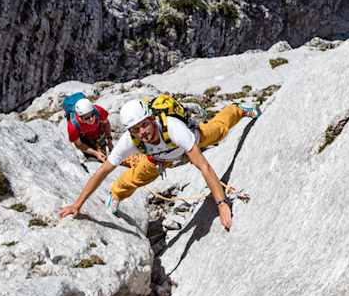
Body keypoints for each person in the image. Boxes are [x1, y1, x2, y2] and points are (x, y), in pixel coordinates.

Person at [57, 97, 260, 232]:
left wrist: (222, 204)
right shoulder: (130, 141)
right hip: (159, 159)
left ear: (152, 118)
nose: (142, 132)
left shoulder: (174, 128)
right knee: (134, 177)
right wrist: (77, 204)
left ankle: (238, 109)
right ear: (130, 131)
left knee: (219, 130)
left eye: (144, 124)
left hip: (192, 141)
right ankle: (115, 194)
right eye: (136, 129)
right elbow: (102, 171)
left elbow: (204, 167)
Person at [66, 97, 112, 163]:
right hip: (84, 139)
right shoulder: (73, 127)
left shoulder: (98, 111)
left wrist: (109, 140)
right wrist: (96, 153)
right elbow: (79, 144)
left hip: (98, 132)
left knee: (104, 156)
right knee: (96, 160)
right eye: (87, 118)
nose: (91, 119)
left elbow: (106, 123)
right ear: (80, 117)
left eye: (92, 115)